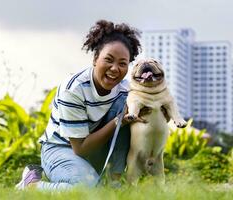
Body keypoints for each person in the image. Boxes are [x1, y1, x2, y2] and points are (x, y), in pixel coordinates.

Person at [16, 19, 143, 191]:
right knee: (86, 189)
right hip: (61, 148)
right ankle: (31, 186)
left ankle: (115, 181)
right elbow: (80, 148)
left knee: (129, 102)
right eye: (109, 60)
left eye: (122, 63)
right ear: (95, 59)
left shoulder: (125, 90)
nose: (114, 68)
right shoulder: (74, 90)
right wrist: (118, 121)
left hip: (95, 150)